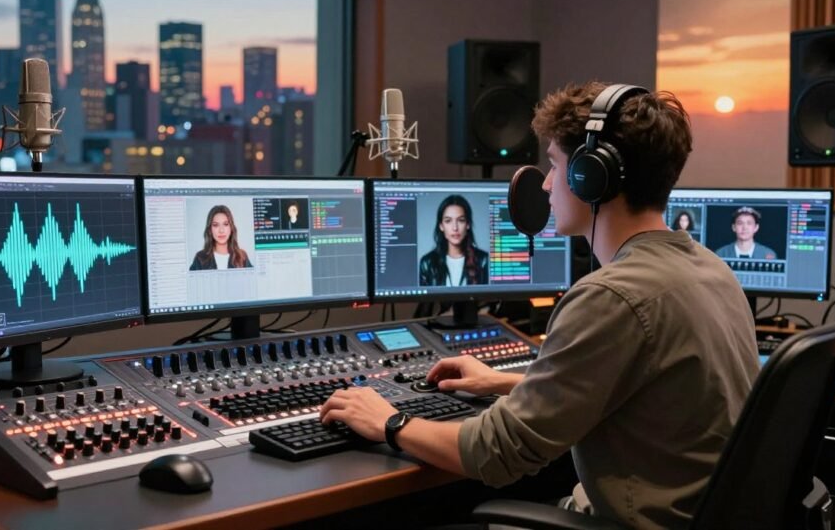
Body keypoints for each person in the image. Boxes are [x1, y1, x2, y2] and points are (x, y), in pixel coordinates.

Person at [319, 82, 759, 530]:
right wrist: (508, 381)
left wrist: (388, 421)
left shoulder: (612, 296)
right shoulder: (709, 268)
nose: (547, 183)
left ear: (592, 175)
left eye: (555, 164)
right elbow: (642, 385)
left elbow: (496, 453)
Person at [418, 194, 489, 286]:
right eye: (448, 221)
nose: (455, 228)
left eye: (461, 220)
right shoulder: (427, 263)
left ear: (468, 224)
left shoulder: (483, 260)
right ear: (441, 226)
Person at [189, 205, 253, 270]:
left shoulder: (242, 257)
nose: (221, 230)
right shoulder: (200, 258)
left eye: (225, 224)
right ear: (210, 230)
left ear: (231, 228)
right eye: (215, 225)